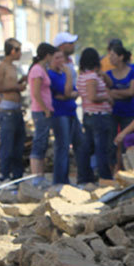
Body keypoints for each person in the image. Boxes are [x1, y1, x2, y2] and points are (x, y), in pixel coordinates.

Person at [48, 39, 93, 185]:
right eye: (57, 58)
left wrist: (68, 94)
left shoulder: (62, 74)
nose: (61, 61)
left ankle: (83, 178)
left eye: (62, 57)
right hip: (60, 113)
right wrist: (68, 78)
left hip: (71, 111)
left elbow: (74, 93)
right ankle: (60, 181)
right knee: (62, 147)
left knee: (80, 144)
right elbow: (67, 92)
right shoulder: (53, 75)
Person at [77, 47, 114, 181]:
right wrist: (106, 98)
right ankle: (105, 177)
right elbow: (93, 97)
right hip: (98, 116)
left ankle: (85, 176)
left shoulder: (83, 76)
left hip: (89, 115)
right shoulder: (91, 77)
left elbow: (110, 83)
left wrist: (102, 74)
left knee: (88, 147)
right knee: (101, 149)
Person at [0, 37, 27, 182]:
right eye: (19, 50)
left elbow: (11, 85)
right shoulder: (2, 67)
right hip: (7, 110)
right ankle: (5, 175)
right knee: (7, 145)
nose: (20, 54)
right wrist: (16, 87)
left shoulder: (13, 67)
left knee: (18, 146)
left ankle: (17, 176)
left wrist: (20, 82)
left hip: (16, 109)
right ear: (13, 51)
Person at [28, 43, 57, 185]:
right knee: (39, 142)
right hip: (40, 111)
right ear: (48, 55)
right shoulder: (38, 70)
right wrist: (45, 109)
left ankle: (40, 175)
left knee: (43, 141)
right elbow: (36, 92)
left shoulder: (41, 69)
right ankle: (36, 176)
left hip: (43, 110)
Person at [105, 44, 134, 170]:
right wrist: (122, 94)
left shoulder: (132, 72)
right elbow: (107, 94)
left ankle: (127, 168)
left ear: (121, 57)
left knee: (127, 141)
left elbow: (131, 93)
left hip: (129, 113)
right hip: (112, 113)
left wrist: (114, 93)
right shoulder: (108, 74)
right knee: (111, 142)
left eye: (113, 55)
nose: (110, 58)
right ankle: (113, 170)